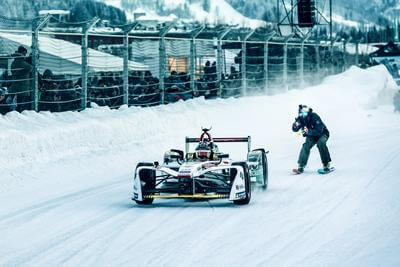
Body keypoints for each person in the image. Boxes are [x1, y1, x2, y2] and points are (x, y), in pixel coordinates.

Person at [292, 104, 332, 173]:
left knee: (320, 143)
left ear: (308, 113)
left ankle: (326, 165)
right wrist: (295, 126)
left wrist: (308, 131)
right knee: (306, 145)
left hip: (323, 134)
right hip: (311, 136)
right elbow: (295, 129)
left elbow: (319, 131)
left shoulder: (314, 116)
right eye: (301, 113)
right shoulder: (300, 119)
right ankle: (301, 166)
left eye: (304, 113)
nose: (302, 115)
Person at [9, 46, 33, 112]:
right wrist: (30, 60)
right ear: (21, 53)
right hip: (21, 86)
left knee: (18, 104)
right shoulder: (20, 61)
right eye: (24, 53)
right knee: (20, 106)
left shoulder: (16, 61)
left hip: (17, 85)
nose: (25, 54)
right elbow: (30, 68)